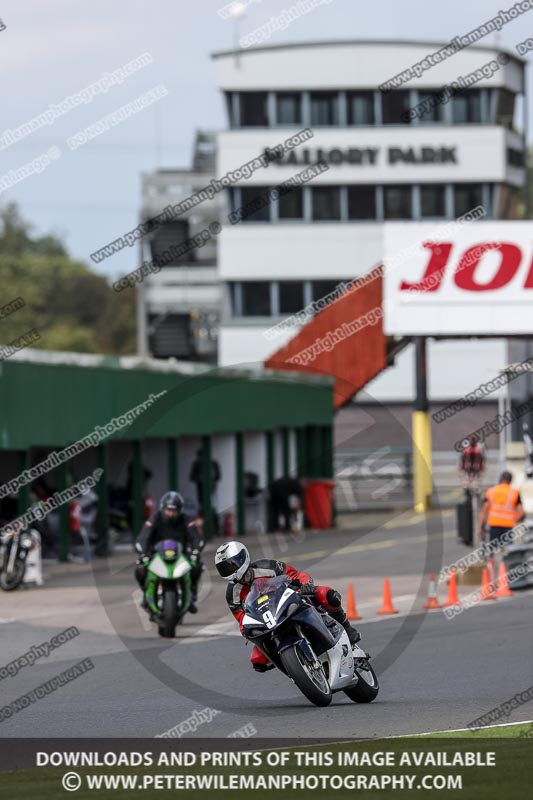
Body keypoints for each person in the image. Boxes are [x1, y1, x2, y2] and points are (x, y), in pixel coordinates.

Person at [214, 541, 360, 673]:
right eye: (224, 568)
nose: (228, 570)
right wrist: (247, 630)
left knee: (328, 595)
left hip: (288, 601)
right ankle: (296, 669)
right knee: (258, 659)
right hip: (267, 620)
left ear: (241, 558)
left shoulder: (267, 566)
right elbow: (241, 619)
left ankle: (346, 626)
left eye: (230, 565)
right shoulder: (232, 593)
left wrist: (305, 586)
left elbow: (295, 575)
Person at [135, 491, 204, 613]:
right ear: (163, 508)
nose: (171, 513)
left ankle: (191, 595)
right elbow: (143, 537)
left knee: (197, 565)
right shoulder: (155, 518)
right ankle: (146, 594)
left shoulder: (186, 519)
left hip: (181, 553)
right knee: (140, 568)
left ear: (180, 510)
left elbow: (196, 537)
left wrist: (195, 551)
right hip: (157, 553)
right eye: (168, 510)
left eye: (174, 511)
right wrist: (144, 553)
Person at [476, 470, 525, 549]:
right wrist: (516, 520)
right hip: (508, 525)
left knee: (493, 549)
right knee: (508, 551)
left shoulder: (491, 491)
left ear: (500, 479)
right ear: (510, 480)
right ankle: (504, 561)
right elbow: (521, 513)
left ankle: (491, 561)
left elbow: (484, 511)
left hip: (494, 524)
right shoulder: (514, 492)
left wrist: (480, 527)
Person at [189, 449, 221, 534]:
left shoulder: (213, 463)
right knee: (201, 509)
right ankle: (201, 530)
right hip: (200, 492)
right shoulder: (197, 464)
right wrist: (200, 479)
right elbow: (192, 477)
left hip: (212, 491)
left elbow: (218, 476)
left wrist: (210, 479)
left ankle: (215, 529)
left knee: (213, 509)